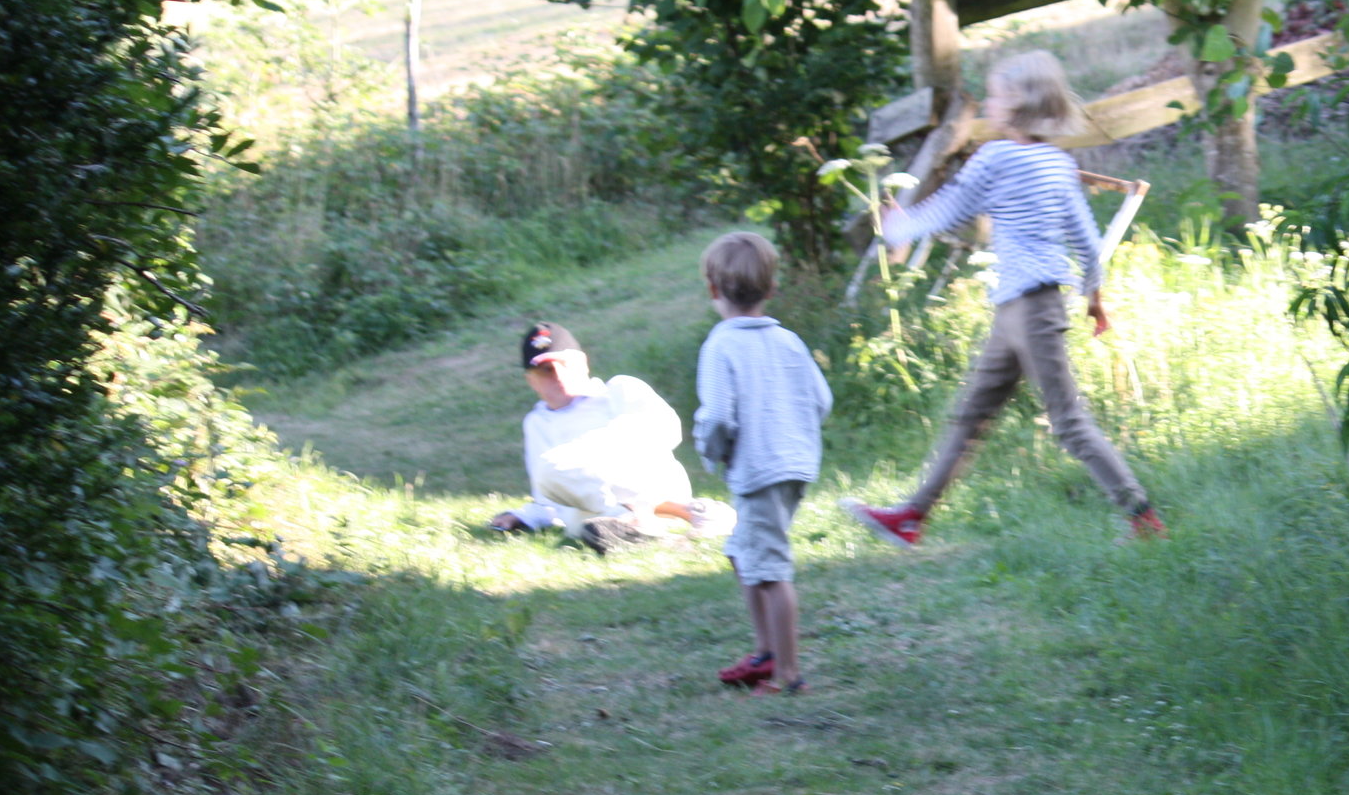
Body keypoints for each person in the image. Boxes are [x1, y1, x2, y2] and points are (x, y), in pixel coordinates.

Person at [840, 50, 1164, 548]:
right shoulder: (1057, 163)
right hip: (1024, 309)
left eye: (994, 94)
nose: (987, 103)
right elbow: (1085, 239)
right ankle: (911, 517)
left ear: (1019, 103)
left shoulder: (997, 157)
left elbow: (952, 207)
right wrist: (1094, 296)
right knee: (971, 416)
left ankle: (1143, 516)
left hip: (1029, 313)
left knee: (1069, 423)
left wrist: (897, 227)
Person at [693, 232, 835, 695]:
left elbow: (716, 416)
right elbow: (822, 400)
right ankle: (766, 650)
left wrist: (712, 450)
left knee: (771, 570)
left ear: (713, 290)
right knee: (740, 550)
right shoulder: (789, 340)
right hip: (794, 466)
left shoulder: (721, 345)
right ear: (772, 290)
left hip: (759, 472)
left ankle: (789, 674)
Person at [490, 322, 732, 554]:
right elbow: (549, 495)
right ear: (530, 380)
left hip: (649, 480)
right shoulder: (537, 424)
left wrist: (593, 453)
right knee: (553, 473)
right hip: (593, 513)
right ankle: (657, 532)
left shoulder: (620, 390)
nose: (558, 375)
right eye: (546, 370)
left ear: (582, 363)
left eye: (564, 364)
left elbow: (667, 430)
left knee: (560, 465)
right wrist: (525, 517)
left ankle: (681, 512)